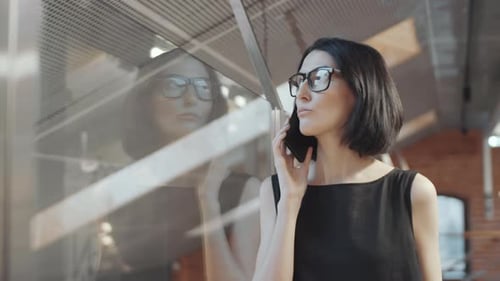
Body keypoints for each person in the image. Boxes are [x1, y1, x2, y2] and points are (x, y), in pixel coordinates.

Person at [252, 37, 442, 281]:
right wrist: (289, 202)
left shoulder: (412, 191)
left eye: (318, 78)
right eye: (300, 82)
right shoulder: (276, 191)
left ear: (360, 88)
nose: (301, 95)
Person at [97, 49, 260, 281]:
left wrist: (208, 202)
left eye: (203, 88)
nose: (191, 99)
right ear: (146, 100)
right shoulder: (123, 191)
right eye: (174, 85)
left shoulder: (243, 191)